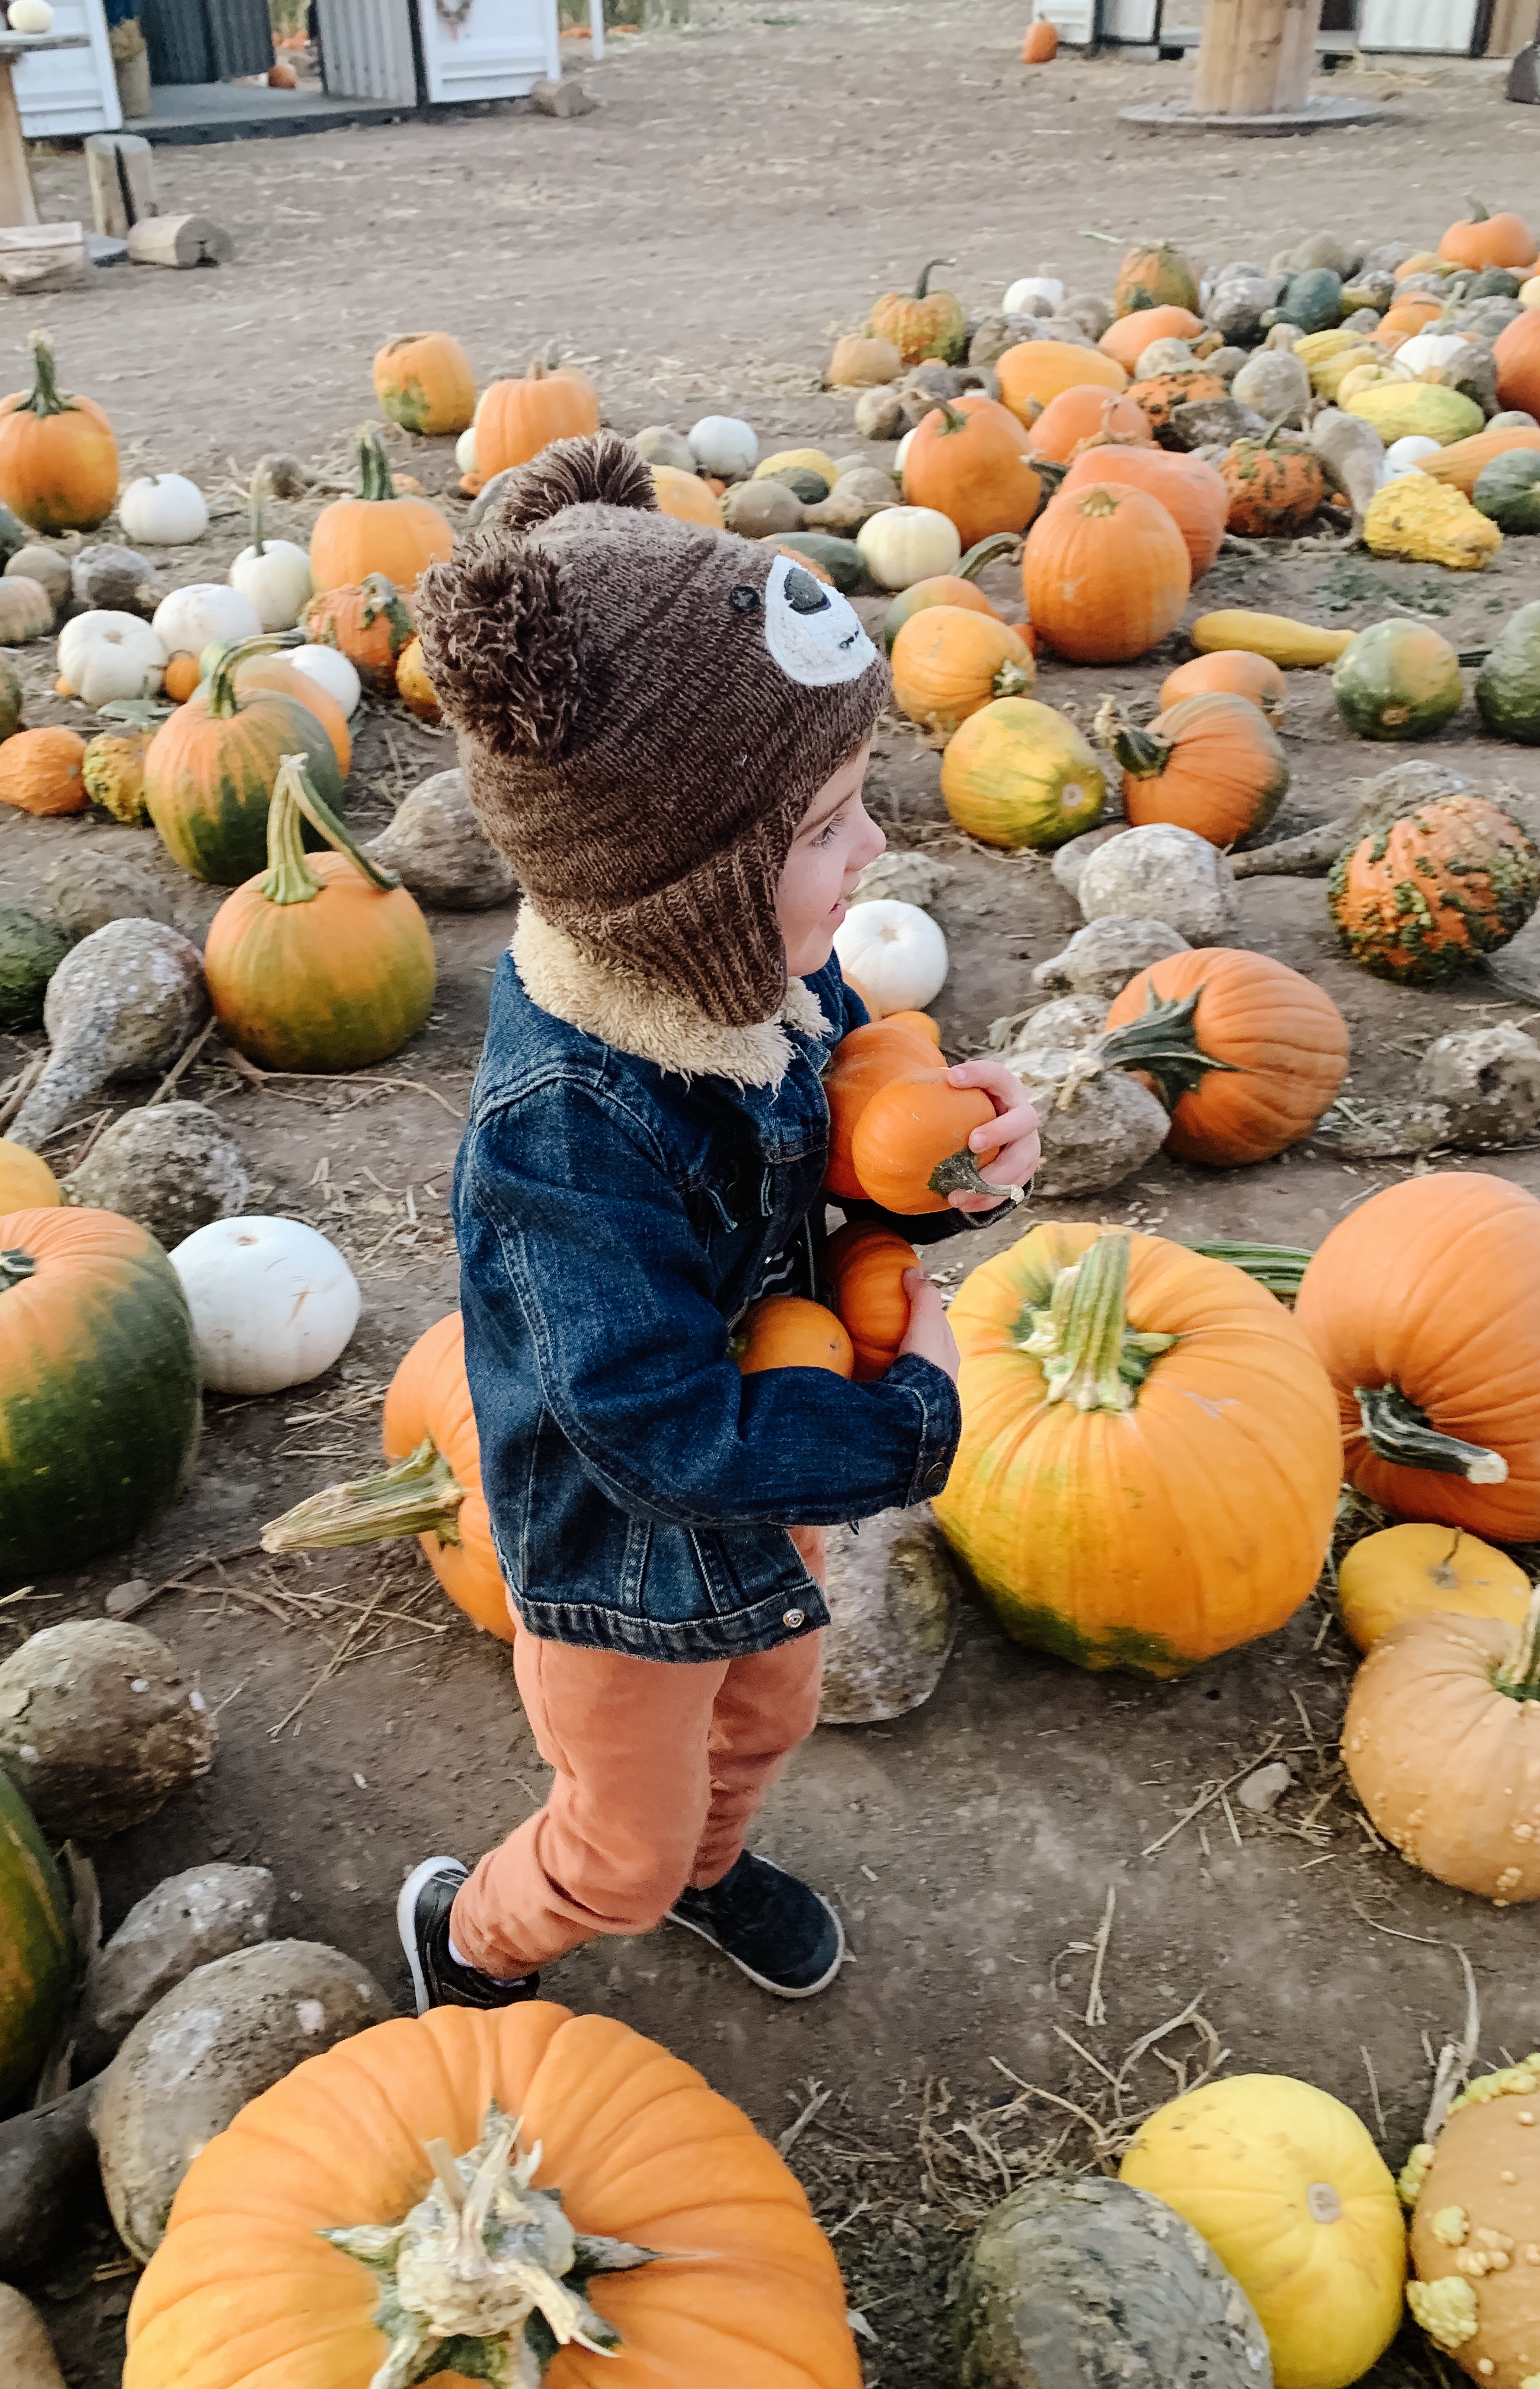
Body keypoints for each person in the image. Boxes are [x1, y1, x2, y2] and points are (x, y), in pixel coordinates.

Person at [397, 433, 1039, 2013]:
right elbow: (654, 1432)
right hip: (625, 1551)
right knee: (613, 1838)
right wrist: (907, 1430)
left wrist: (927, 1181)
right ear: (688, 884)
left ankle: (705, 1864)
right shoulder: (565, 1135)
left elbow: (821, 1177)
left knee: (764, 1718)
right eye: (825, 827)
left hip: (773, 1462)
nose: (873, 848)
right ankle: (474, 1933)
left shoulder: (768, 984)